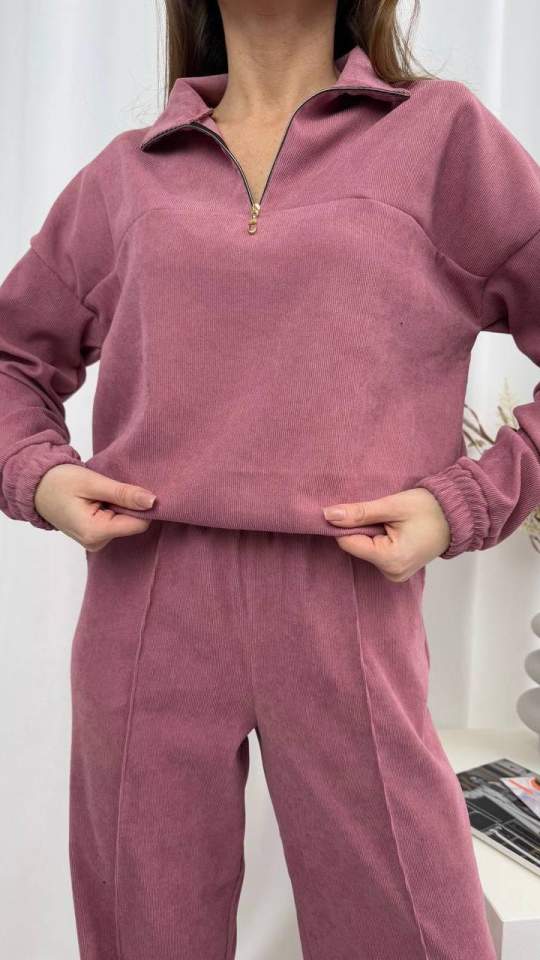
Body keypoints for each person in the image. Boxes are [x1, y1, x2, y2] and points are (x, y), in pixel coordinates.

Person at [1, 0, 539, 957]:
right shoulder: (129, 173)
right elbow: (11, 359)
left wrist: (463, 501)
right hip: (147, 602)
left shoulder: (441, 137)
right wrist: (39, 475)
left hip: (350, 601)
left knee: (416, 933)